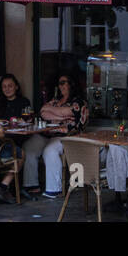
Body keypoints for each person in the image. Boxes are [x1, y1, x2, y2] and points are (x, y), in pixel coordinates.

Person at [37, 71, 89, 199]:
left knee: (50, 150)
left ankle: (54, 189)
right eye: (59, 84)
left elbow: (69, 112)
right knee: (30, 146)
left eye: (63, 83)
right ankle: (31, 185)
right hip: (49, 134)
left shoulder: (79, 101)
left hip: (69, 136)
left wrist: (55, 113)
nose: (60, 86)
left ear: (71, 84)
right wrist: (62, 115)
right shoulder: (56, 100)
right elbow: (43, 112)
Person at [0, 73, 42, 194]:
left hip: (21, 138)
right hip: (3, 140)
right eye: (4, 87)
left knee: (23, 149)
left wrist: (22, 121)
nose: (7, 89)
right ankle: (8, 186)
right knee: (16, 152)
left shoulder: (24, 102)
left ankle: (14, 186)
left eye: (10, 86)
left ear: (16, 87)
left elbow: (30, 120)